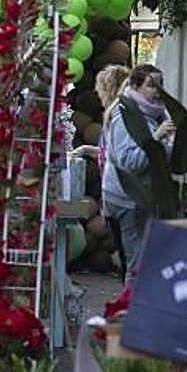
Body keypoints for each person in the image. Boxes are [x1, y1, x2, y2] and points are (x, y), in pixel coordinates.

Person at [102, 64, 175, 283]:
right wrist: (157, 139)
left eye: (160, 85)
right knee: (137, 266)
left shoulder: (154, 114)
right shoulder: (126, 115)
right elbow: (130, 162)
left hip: (145, 199)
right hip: (128, 199)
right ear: (135, 86)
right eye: (152, 85)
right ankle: (127, 312)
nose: (157, 91)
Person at [72, 64, 131, 278]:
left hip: (120, 191)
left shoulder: (120, 116)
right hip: (116, 190)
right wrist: (86, 149)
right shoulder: (117, 115)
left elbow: (117, 154)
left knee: (127, 250)